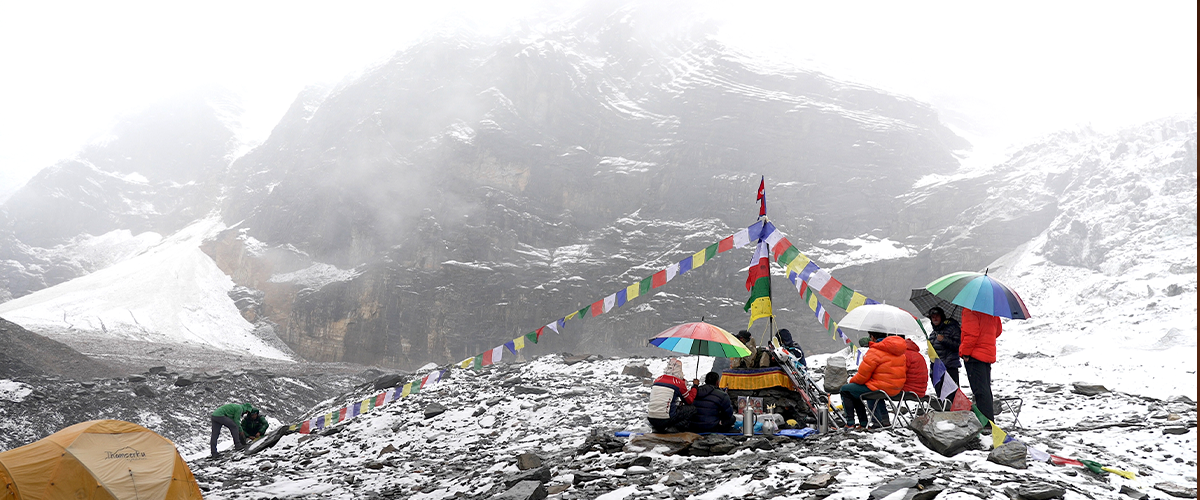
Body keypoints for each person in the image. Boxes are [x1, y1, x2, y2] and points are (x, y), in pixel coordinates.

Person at [839, 331, 906, 429]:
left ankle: (852, 423)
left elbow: (862, 376)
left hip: (879, 388)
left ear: (872, 337)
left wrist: (852, 382)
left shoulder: (875, 351)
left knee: (846, 390)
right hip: (895, 389)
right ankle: (877, 421)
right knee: (858, 389)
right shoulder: (900, 352)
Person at [960, 307, 1001, 433]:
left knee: (979, 390)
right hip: (987, 354)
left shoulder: (970, 311)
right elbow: (998, 331)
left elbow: (971, 334)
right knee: (985, 388)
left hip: (974, 355)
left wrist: (965, 352)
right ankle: (988, 421)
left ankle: (986, 424)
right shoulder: (992, 311)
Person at [646, 359, 697, 433]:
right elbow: (689, 401)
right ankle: (675, 428)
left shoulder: (657, 379)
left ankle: (658, 429)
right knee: (692, 409)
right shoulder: (678, 382)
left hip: (651, 418)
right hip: (665, 419)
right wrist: (695, 386)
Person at [927, 307, 962, 400]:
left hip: (949, 367)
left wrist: (944, 340)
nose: (934, 319)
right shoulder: (933, 333)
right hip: (937, 369)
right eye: (932, 317)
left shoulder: (952, 328)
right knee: (941, 396)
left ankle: (954, 414)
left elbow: (959, 346)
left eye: (937, 316)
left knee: (952, 397)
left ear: (942, 317)